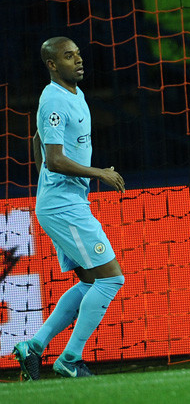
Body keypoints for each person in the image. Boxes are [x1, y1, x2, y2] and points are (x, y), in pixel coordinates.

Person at [13, 37, 126, 379]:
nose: (78, 60)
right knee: (111, 279)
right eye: (67, 56)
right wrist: (99, 173)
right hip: (64, 206)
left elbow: (37, 139)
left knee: (91, 282)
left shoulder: (75, 95)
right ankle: (70, 359)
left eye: (77, 54)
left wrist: (45, 188)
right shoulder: (54, 100)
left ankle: (33, 346)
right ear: (51, 64)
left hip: (65, 202)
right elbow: (55, 159)